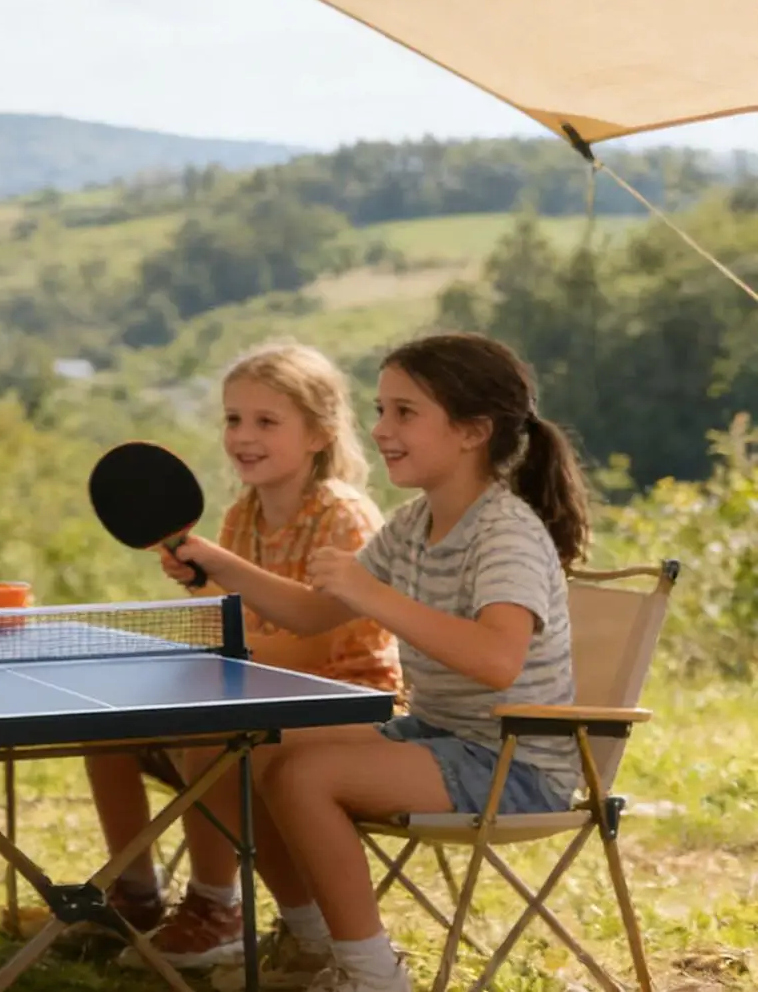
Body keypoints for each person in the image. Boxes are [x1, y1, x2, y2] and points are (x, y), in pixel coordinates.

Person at [163, 332, 589, 992]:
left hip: (515, 763)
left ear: (473, 430)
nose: (380, 428)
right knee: (248, 748)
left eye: (403, 412)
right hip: (439, 735)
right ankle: (309, 943)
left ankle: (371, 974)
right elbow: (310, 611)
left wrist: (373, 595)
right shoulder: (414, 521)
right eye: (380, 408)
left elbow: (496, 659)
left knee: (305, 776)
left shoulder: (503, 531)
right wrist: (212, 562)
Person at [83, 341, 400, 969]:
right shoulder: (242, 516)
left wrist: (219, 630)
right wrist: (204, 587)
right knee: (106, 727)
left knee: (211, 733)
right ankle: (137, 894)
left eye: (266, 421)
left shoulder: (346, 517)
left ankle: (216, 906)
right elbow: (235, 624)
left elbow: (317, 642)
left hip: (351, 699)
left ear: (319, 433)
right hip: (263, 693)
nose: (243, 436)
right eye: (233, 419)